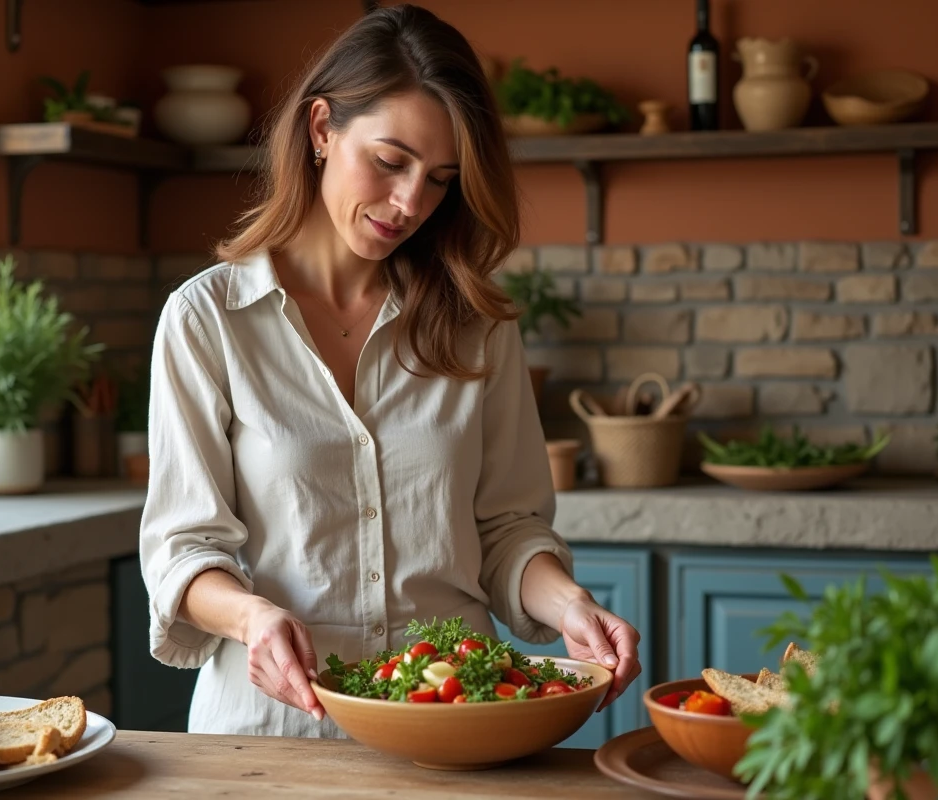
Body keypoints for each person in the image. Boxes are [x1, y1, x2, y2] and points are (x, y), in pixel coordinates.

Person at [139, 3, 641, 738]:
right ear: (320, 130)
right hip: (274, 737)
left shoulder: (477, 325)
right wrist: (254, 617)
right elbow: (184, 551)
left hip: (456, 732)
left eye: (440, 179)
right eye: (389, 161)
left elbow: (505, 528)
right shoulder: (207, 320)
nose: (410, 202)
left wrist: (569, 603)